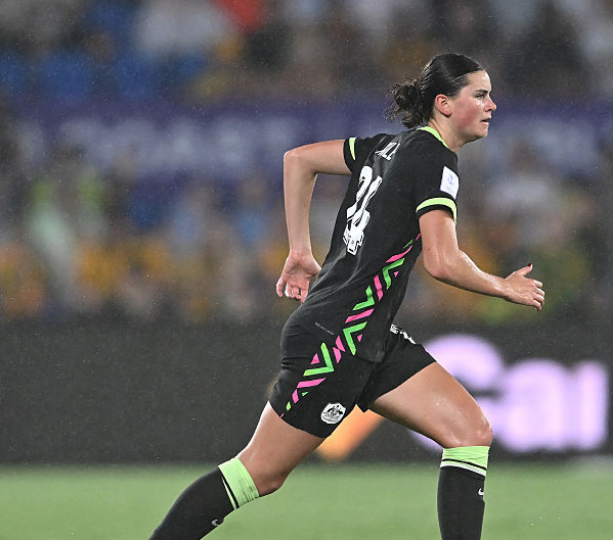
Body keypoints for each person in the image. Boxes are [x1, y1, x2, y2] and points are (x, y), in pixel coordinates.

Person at [148, 52, 545, 540]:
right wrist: (501, 285)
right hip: (337, 338)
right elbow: (442, 261)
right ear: (443, 103)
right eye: (480, 95)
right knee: (258, 474)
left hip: (366, 333)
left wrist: (299, 250)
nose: (492, 106)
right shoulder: (434, 159)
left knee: (470, 431)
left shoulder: (386, 147)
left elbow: (299, 160)